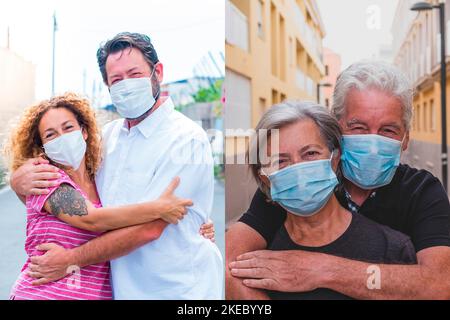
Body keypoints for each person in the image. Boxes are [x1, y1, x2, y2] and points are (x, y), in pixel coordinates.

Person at [10, 32, 223, 299]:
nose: (126, 85)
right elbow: (74, 204)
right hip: (119, 290)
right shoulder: (107, 139)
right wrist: (17, 181)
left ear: (158, 72)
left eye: (134, 74)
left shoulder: (186, 140)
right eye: (116, 79)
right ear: (108, 86)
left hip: (175, 290)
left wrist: (70, 259)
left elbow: (150, 228)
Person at [226, 61, 450, 300]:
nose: (372, 144)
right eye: (358, 127)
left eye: (388, 130)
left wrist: (321, 269)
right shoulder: (298, 182)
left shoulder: (422, 191)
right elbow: (230, 264)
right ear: (337, 128)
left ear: (405, 138)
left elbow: (440, 285)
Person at [4, 93, 197, 300]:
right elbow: (92, 219)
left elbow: (129, 214)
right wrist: (160, 208)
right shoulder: (46, 178)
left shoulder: (103, 180)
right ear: (43, 146)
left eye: (68, 128)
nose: (62, 137)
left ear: (84, 131)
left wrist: (196, 221)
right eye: (51, 135)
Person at [246, 100, 416, 299]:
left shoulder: (393, 249)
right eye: (280, 161)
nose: (299, 170)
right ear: (265, 178)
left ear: (335, 160)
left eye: (310, 153)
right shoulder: (254, 261)